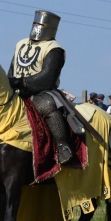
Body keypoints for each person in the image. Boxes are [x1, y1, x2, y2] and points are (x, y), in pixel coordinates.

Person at [7, 10, 72, 164]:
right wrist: (11, 82)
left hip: (41, 91)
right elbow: (13, 67)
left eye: (41, 25)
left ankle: (63, 146)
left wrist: (23, 82)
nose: (38, 27)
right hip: (16, 90)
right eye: (36, 23)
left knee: (47, 104)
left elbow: (48, 77)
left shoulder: (54, 48)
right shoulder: (21, 44)